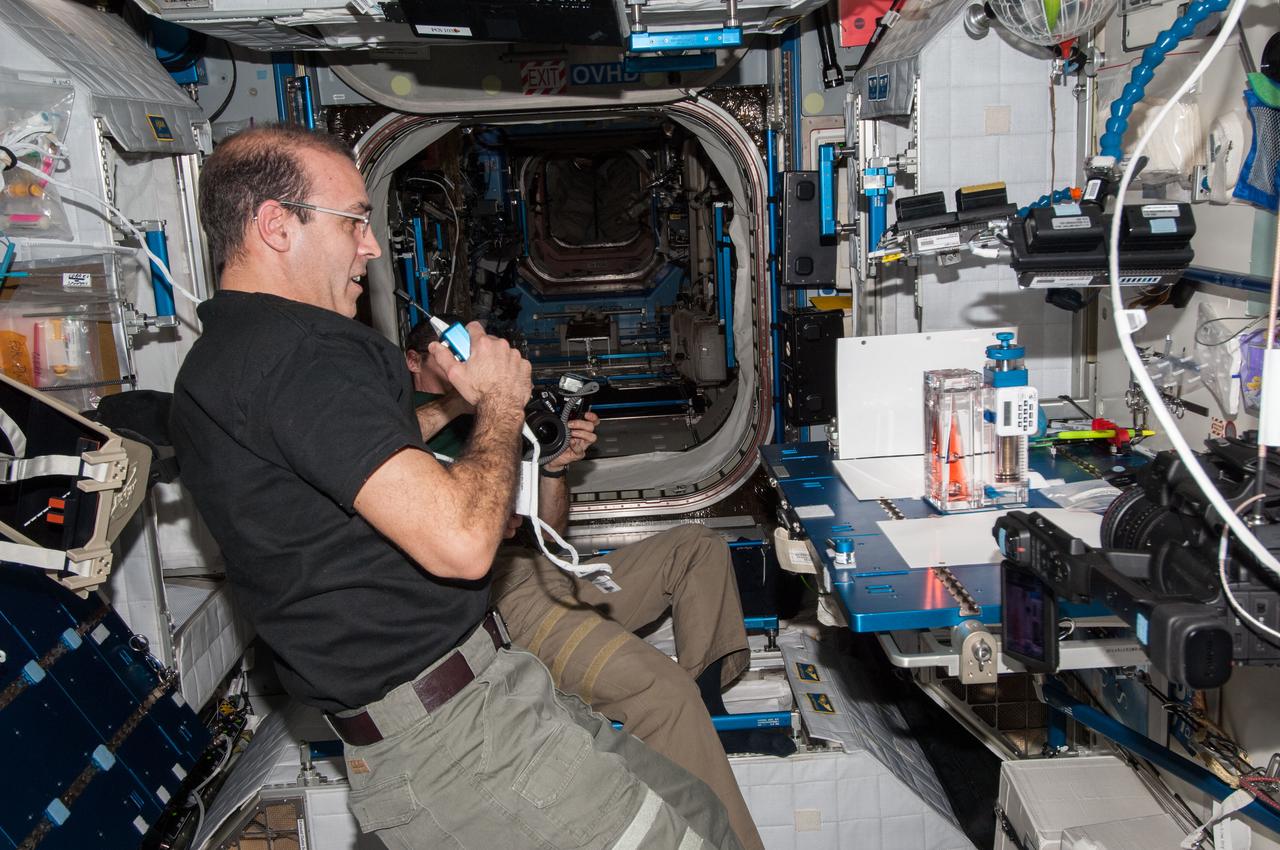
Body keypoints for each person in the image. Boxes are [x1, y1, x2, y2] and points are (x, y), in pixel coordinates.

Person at [169, 125, 743, 850]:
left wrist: (491, 424)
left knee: (702, 816)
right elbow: (465, 544)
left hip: (487, 690)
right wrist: (500, 400)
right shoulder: (296, 354)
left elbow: (384, 498)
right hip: (460, 742)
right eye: (353, 221)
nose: (371, 247)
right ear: (277, 225)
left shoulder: (226, 362)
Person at [405, 322, 768, 850]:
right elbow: (377, 448)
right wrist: (473, 403)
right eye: (451, 357)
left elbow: (547, 530)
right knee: (662, 694)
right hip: (501, 599)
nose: (466, 366)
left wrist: (553, 469)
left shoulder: (495, 421)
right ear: (415, 361)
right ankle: (687, 726)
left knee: (697, 547)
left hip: (539, 568)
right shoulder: (401, 413)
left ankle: (705, 703)